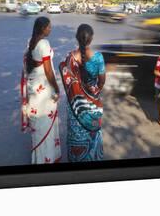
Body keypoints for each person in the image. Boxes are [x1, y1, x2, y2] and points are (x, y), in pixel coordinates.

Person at [59, 24, 105, 162]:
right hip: (93, 104)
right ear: (91, 39)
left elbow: (68, 81)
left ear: (77, 38)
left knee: (75, 133)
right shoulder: (98, 58)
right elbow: (102, 82)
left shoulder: (70, 58)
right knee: (93, 133)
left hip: (74, 105)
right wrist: (93, 94)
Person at [21, 17, 62, 164]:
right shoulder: (44, 43)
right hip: (44, 88)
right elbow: (48, 71)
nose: (50, 29)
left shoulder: (31, 41)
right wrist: (57, 88)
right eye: (49, 27)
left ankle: (39, 157)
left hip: (34, 88)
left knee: (39, 125)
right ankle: (46, 159)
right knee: (45, 125)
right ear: (42, 28)